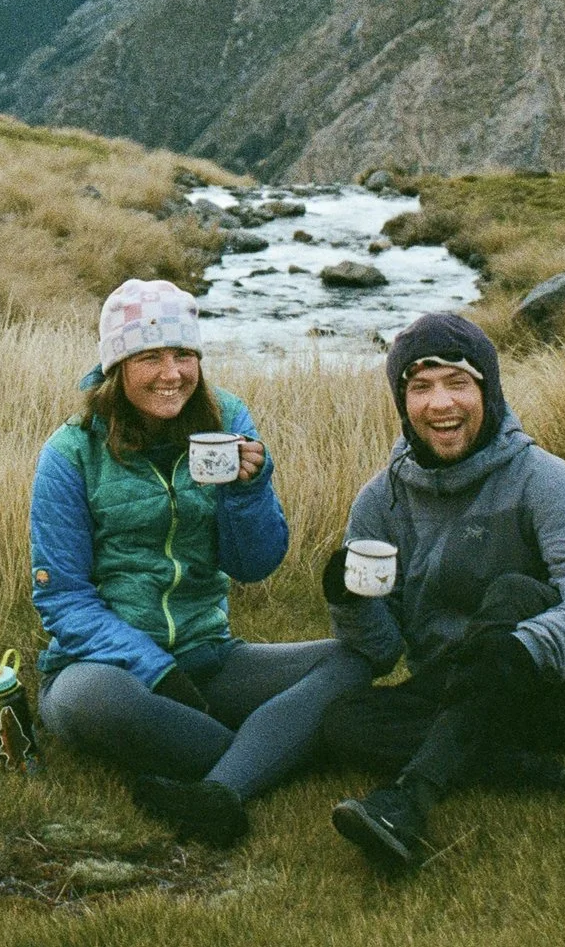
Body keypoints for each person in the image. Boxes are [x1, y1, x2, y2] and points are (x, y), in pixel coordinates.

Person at [30, 278, 371, 846]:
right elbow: (63, 598)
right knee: (88, 702)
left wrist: (249, 490)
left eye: (184, 354)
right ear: (117, 366)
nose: (173, 373)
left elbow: (255, 565)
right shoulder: (70, 453)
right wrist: (157, 672)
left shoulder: (227, 418)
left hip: (208, 655)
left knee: (356, 657)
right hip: (104, 669)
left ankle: (221, 781)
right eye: (150, 356)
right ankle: (272, 748)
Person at [320, 312, 565, 873]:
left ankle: (410, 799)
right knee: (343, 723)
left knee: (513, 594)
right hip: (462, 687)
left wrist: (525, 647)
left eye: (458, 383)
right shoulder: (380, 503)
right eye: (421, 387)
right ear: (402, 401)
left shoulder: (546, 480)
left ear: (488, 390)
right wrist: (349, 603)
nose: (441, 404)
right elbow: (382, 651)